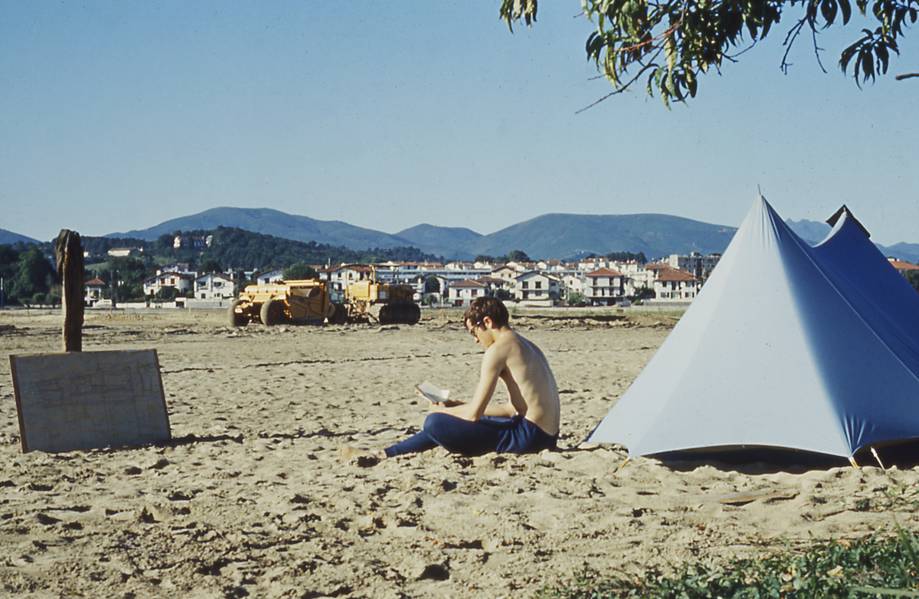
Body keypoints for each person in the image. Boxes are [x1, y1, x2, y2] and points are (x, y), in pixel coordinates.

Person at [343, 296, 560, 462]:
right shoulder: (526, 345)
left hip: (529, 437)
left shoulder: (498, 350)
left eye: (474, 332)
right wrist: (455, 405)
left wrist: (441, 411)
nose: (476, 340)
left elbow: (474, 415)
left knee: (434, 423)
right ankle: (384, 453)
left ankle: (382, 454)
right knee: (446, 418)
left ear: (487, 322)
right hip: (545, 436)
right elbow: (512, 408)